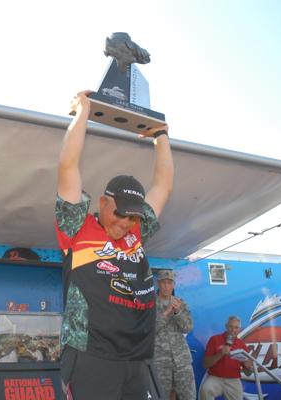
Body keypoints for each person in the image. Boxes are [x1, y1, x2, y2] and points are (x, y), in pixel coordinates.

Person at [55, 90, 174, 399]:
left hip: (135, 358)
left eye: (132, 217)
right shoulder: (78, 227)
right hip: (91, 356)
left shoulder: (136, 232)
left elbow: (163, 186)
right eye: (119, 213)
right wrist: (84, 113)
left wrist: (161, 136)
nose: (125, 222)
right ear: (103, 202)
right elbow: (68, 167)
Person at [153, 269, 195, 400]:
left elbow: (187, 328)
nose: (166, 286)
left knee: (188, 396)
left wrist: (177, 313)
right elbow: (149, 330)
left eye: (169, 282)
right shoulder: (150, 304)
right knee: (160, 396)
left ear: (174, 285)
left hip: (182, 360)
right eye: (163, 282)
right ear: (158, 284)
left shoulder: (180, 303)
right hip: (160, 361)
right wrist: (166, 313)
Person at [199, 316, 253, 400]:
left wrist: (248, 367)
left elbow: (248, 373)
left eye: (236, 327)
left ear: (239, 329)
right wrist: (221, 353)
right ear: (226, 326)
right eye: (231, 326)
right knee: (205, 389)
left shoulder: (242, 344)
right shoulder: (214, 339)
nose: (233, 330)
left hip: (233, 380)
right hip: (215, 377)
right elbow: (205, 364)